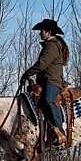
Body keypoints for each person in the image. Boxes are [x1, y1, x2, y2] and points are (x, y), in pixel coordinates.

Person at [20, 19, 69, 147]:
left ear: (48, 32)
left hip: (52, 81)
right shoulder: (51, 44)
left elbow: (42, 63)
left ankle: (61, 130)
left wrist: (28, 73)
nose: (40, 33)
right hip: (46, 80)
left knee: (49, 100)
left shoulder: (52, 45)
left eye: (42, 31)